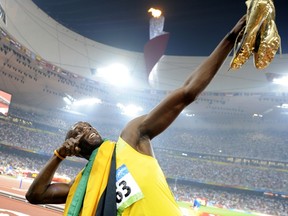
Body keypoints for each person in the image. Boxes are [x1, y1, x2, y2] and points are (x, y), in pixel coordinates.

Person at [26, 15, 246, 216]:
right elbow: (35, 196)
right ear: (74, 146)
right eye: (78, 131)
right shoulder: (85, 182)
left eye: (88, 125)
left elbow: (186, 93)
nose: (87, 128)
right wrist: (59, 155)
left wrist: (230, 38)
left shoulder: (131, 137)